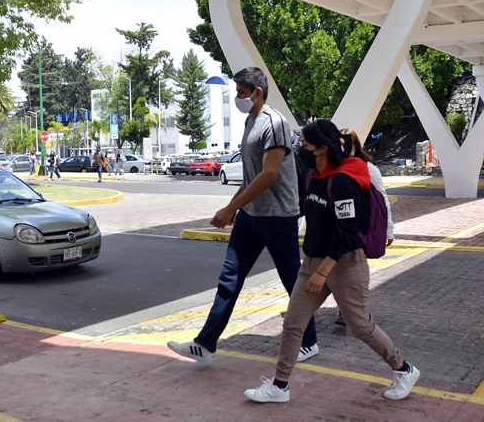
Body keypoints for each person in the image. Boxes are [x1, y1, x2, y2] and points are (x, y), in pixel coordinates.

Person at [243, 120, 420, 403]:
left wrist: (322, 273)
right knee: (292, 324)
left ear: (322, 147)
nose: (299, 148)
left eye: (304, 143)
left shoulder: (342, 182)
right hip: (313, 262)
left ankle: (404, 368)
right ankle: (279, 386)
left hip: (344, 263)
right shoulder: (314, 176)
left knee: (360, 326)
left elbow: (347, 233)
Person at [167, 66, 319, 365]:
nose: (237, 98)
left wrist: (232, 208)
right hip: (252, 215)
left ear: (257, 92)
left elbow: (270, 174)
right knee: (229, 278)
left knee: (292, 280)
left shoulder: (274, 122)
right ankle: (205, 344)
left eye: (241, 92)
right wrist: (232, 206)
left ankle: (309, 341)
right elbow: (251, 178)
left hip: (278, 216)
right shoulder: (251, 121)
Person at [334, 128, 395, 326]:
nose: (341, 148)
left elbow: (382, 198)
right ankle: (346, 309)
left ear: (354, 145)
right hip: (340, 227)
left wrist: (389, 229)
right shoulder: (335, 165)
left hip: (361, 227)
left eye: (345, 144)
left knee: (353, 268)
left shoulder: (367, 167)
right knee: (341, 269)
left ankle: (351, 311)